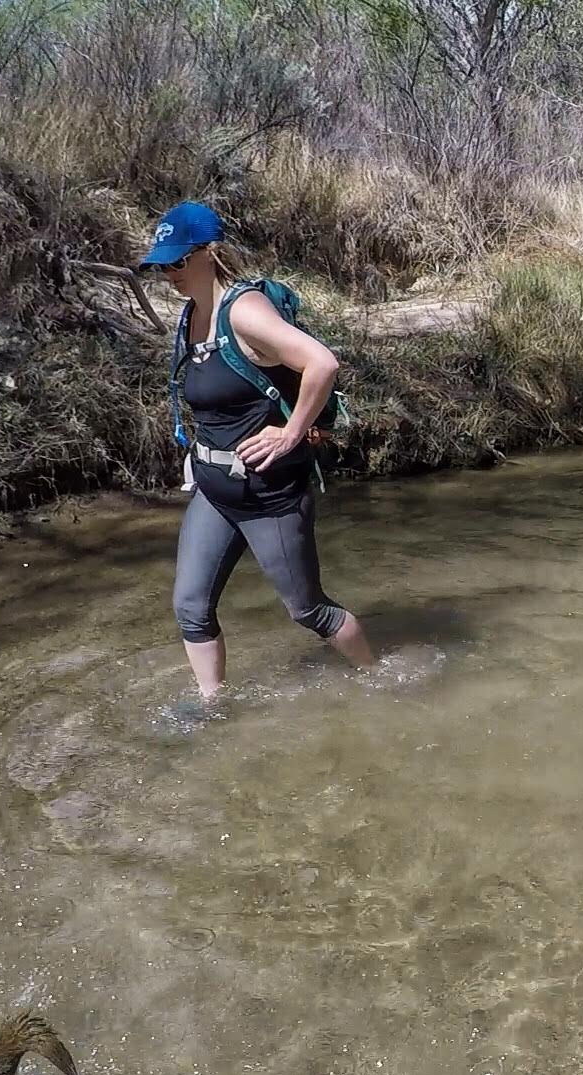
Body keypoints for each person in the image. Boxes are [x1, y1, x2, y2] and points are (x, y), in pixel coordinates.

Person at [141, 201, 374, 700]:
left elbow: (322, 364)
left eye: (178, 261)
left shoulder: (243, 311)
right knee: (191, 607)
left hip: (269, 494)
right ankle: (213, 705)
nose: (169, 274)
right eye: (162, 264)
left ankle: (377, 682)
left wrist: (291, 432)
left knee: (309, 611)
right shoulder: (190, 316)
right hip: (214, 491)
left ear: (211, 253)